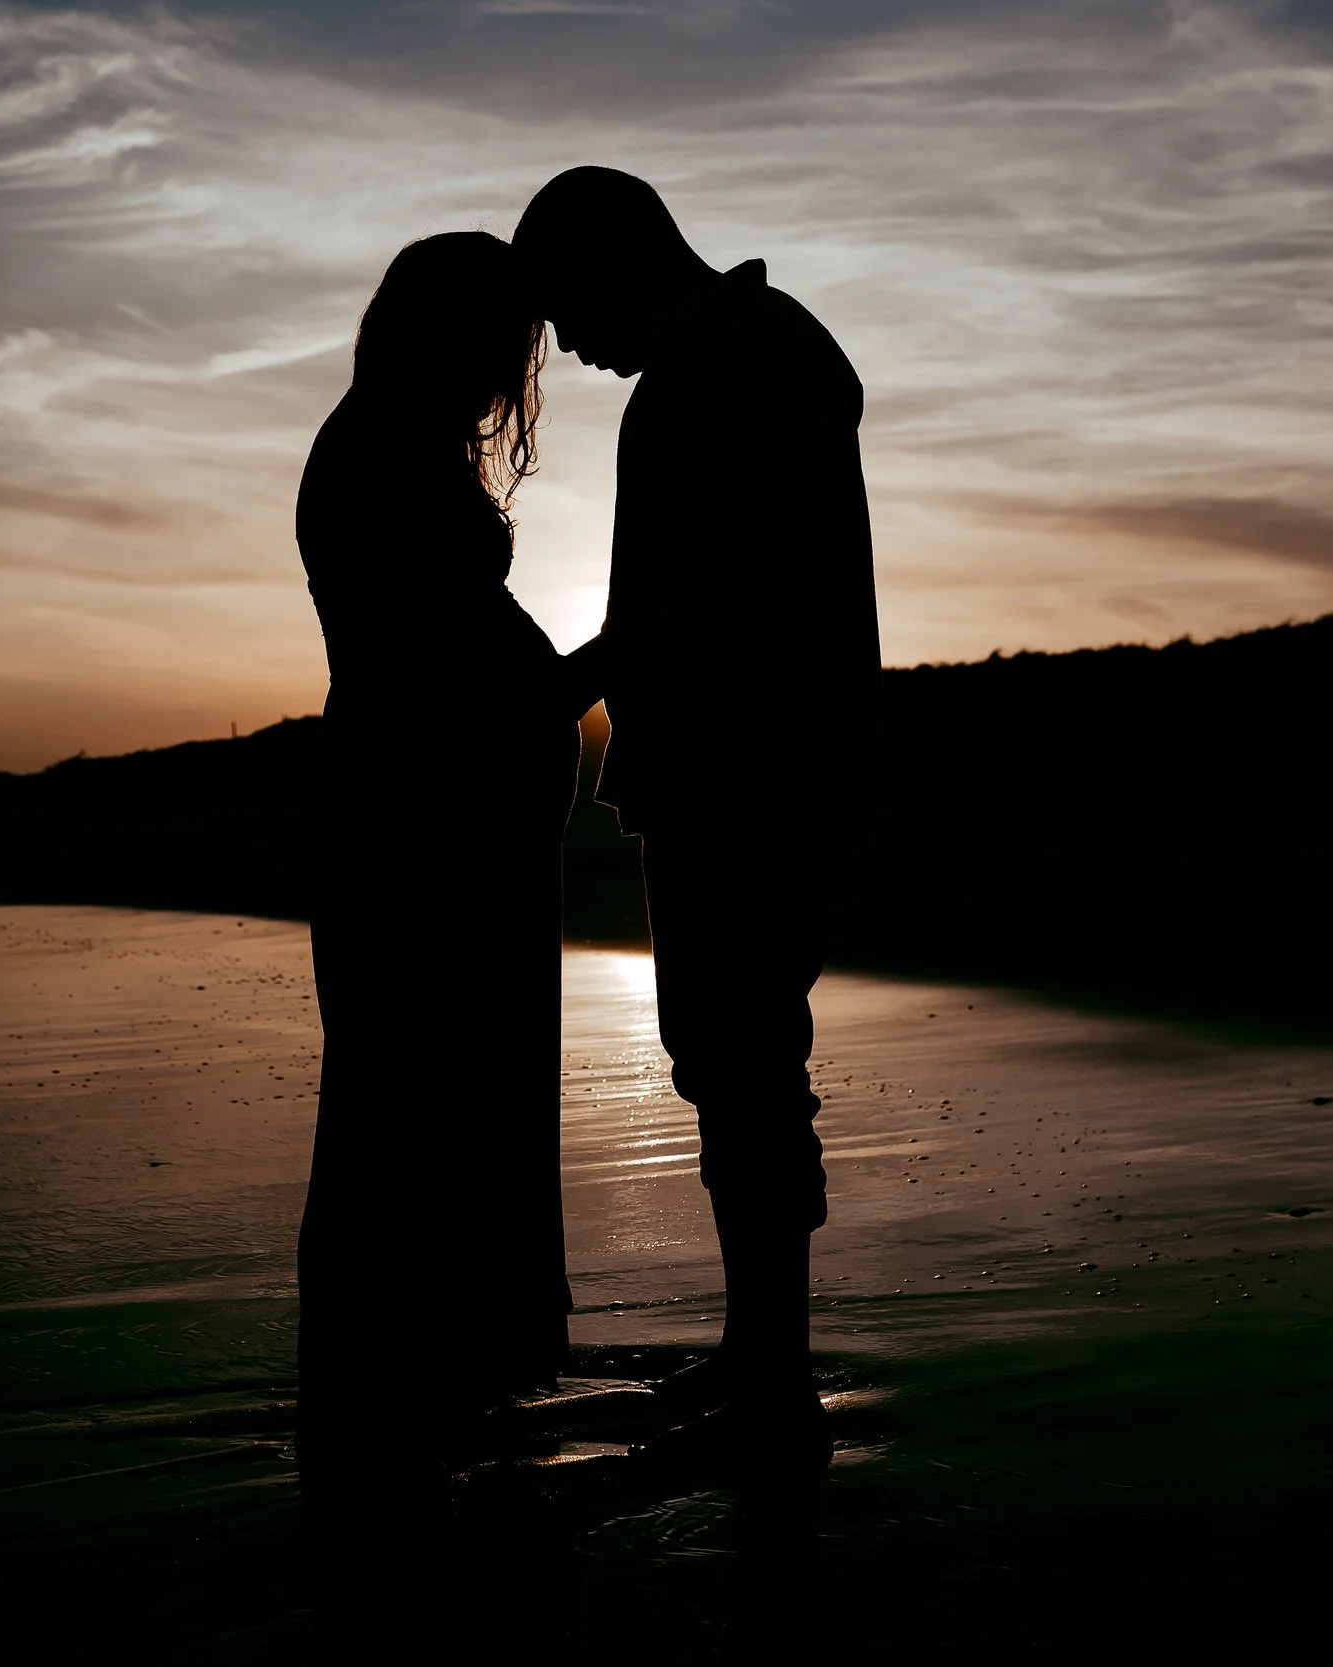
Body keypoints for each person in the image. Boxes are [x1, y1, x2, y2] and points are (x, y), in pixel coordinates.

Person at [514, 167, 884, 1461]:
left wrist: (556, 686)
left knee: (744, 1054)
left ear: (618, 266)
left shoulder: (745, 360)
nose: (566, 345)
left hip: (756, 767)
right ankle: (758, 1346)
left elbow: (715, 592)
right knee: (727, 1054)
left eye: (568, 309)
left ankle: (773, 1366)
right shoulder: (731, 359)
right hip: (731, 762)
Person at [294, 232, 595, 1459]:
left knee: (426, 1102)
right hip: (425, 829)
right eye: (498, 347)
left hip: (446, 819)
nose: (507, 377)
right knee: (416, 1102)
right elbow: (443, 677)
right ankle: (397, 1398)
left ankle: (420, 1391)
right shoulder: (379, 457)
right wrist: (625, 647)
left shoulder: (387, 445)